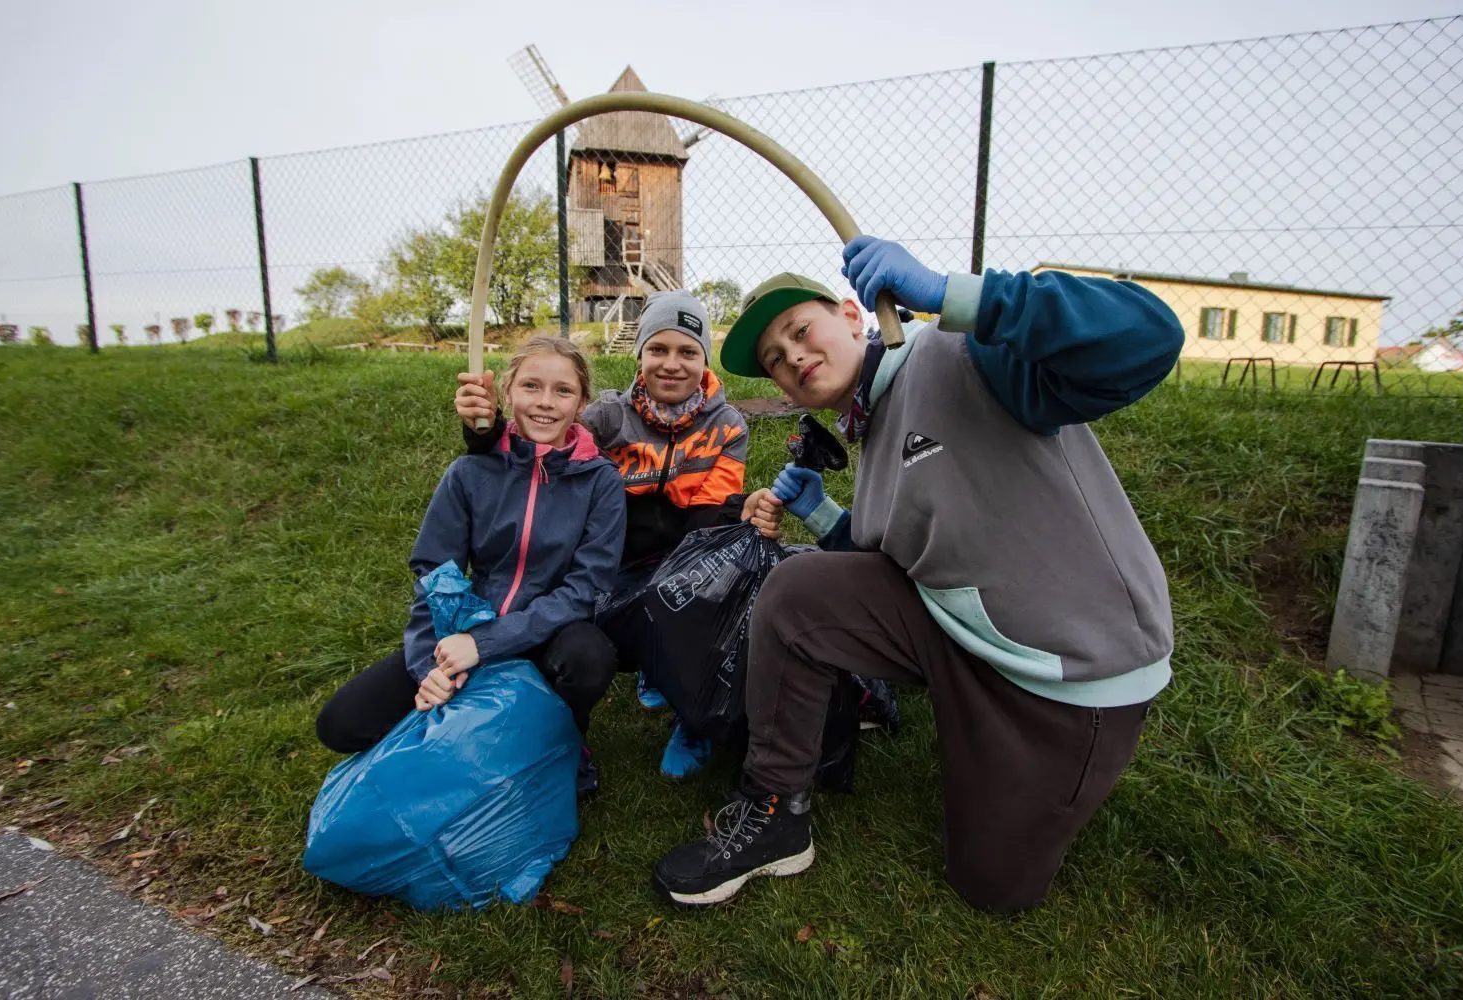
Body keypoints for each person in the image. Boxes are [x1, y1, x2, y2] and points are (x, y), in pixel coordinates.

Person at [651, 238, 1185, 912]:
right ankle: (774, 812)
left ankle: (1049, 774)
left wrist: (955, 296)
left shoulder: (960, 354)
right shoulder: (869, 432)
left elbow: (1149, 337)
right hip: (966, 645)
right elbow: (896, 565)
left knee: (992, 888)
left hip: (1070, 673)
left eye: (799, 331)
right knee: (798, 592)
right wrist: (819, 514)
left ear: (852, 314)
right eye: (774, 361)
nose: (791, 357)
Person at [455, 291, 782, 782]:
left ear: (704, 360)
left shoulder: (728, 425)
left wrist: (672, 600)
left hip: (688, 551)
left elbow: (713, 512)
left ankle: (691, 715)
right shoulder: (609, 416)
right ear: (639, 355)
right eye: (658, 349)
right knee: (604, 632)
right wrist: (484, 432)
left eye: (688, 352)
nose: (671, 364)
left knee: (705, 603)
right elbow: (543, 440)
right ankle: (600, 691)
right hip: (609, 557)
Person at [316, 335, 626, 796]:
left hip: (548, 633)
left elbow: (586, 587)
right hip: (466, 626)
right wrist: (428, 666)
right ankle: (450, 741)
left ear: (582, 401)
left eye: (563, 391)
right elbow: (432, 574)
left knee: (590, 657)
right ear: (506, 393)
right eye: (531, 386)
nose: (545, 403)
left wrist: (487, 643)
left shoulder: (600, 481)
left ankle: (564, 740)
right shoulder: (468, 472)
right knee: (339, 724)